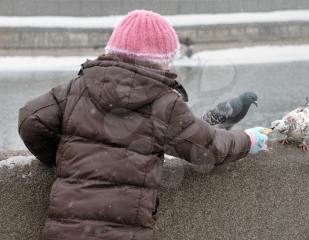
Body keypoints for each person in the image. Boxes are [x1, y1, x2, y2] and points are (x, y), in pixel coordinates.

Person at [18, 10, 268, 240]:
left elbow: (31, 119)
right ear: (162, 60)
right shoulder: (164, 103)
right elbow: (208, 147)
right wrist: (247, 140)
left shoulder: (76, 88)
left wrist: (64, 159)